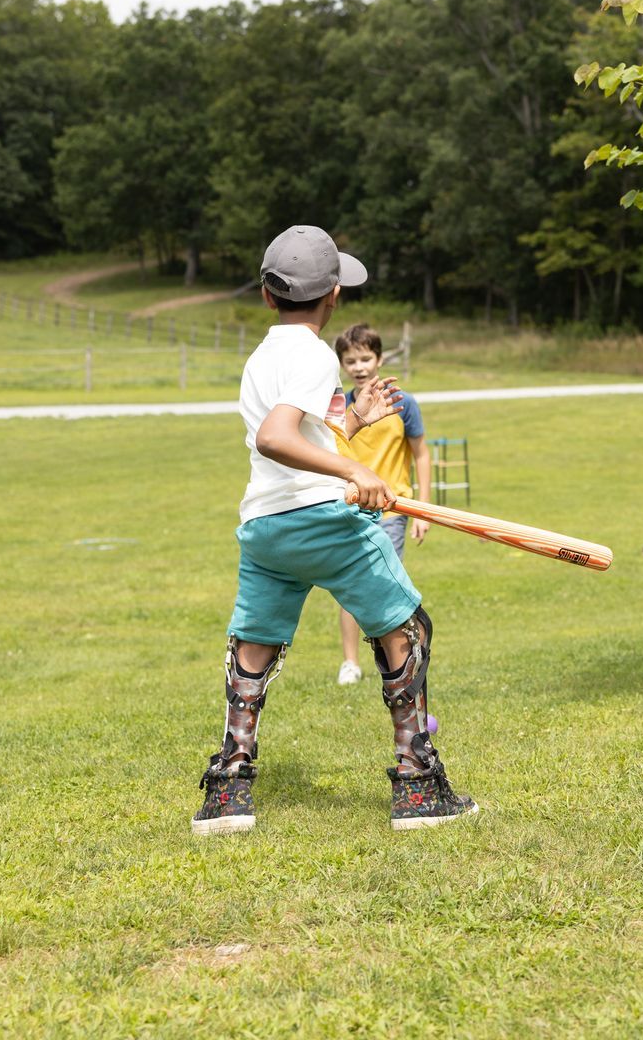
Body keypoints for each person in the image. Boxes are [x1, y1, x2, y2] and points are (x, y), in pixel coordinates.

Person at [192, 225, 476, 836]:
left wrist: (353, 423)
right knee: (405, 629)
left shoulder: (261, 357)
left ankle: (227, 794)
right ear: (335, 296)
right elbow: (277, 438)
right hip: (324, 518)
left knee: (255, 643)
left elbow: (296, 436)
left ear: (268, 296)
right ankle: (419, 787)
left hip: (267, 525)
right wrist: (353, 466)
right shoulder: (315, 353)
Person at [329, 323, 432, 686]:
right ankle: (350, 662)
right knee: (349, 584)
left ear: (380, 358)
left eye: (365, 358)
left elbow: (421, 454)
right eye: (350, 360)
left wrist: (423, 507)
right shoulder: (339, 405)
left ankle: (395, 658)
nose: (358, 367)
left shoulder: (403, 402)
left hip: (393, 508)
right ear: (342, 364)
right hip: (350, 508)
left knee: (385, 584)